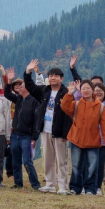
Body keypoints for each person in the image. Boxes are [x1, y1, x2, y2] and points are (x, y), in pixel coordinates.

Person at [70, 54, 105, 190]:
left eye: (99, 86)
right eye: (93, 85)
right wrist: (72, 69)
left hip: (103, 139)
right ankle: (87, 186)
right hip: (89, 137)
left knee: (101, 164)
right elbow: (80, 84)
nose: (96, 89)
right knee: (88, 163)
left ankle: (99, 186)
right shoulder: (85, 100)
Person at [23, 60, 72, 194]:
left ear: (61, 79)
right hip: (45, 129)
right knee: (48, 159)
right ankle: (50, 184)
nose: (52, 78)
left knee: (61, 160)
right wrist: (28, 71)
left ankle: (62, 186)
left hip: (59, 131)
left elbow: (69, 114)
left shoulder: (66, 93)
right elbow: (30, 86)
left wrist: (66, 132)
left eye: (56, 76)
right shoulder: (44, 91)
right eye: (50, 76)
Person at [61, 79, 105, 195]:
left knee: (92, 166)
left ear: (92, 90)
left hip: (92, 141)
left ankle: (90, 189)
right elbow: (65, 107)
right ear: (80, 90)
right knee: (76, 165)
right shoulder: (76, 104)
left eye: (88, 88)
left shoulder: (100, 107)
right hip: (76, 139)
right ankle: (75, 188)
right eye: (83, 89)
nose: (85, 91)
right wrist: (69, 94)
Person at [4, 68, 40, 190]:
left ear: (27, 88)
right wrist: (9, 81)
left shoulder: (34, 101)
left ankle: (35, 184)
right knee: (15, 161)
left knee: (27, 161)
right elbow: (7, 94)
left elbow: (36, 121)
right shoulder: (18, 99)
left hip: (26, 136)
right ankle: (18, 183)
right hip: (15, 135)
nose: (19, 88)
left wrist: (34, 138)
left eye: (22, 86)